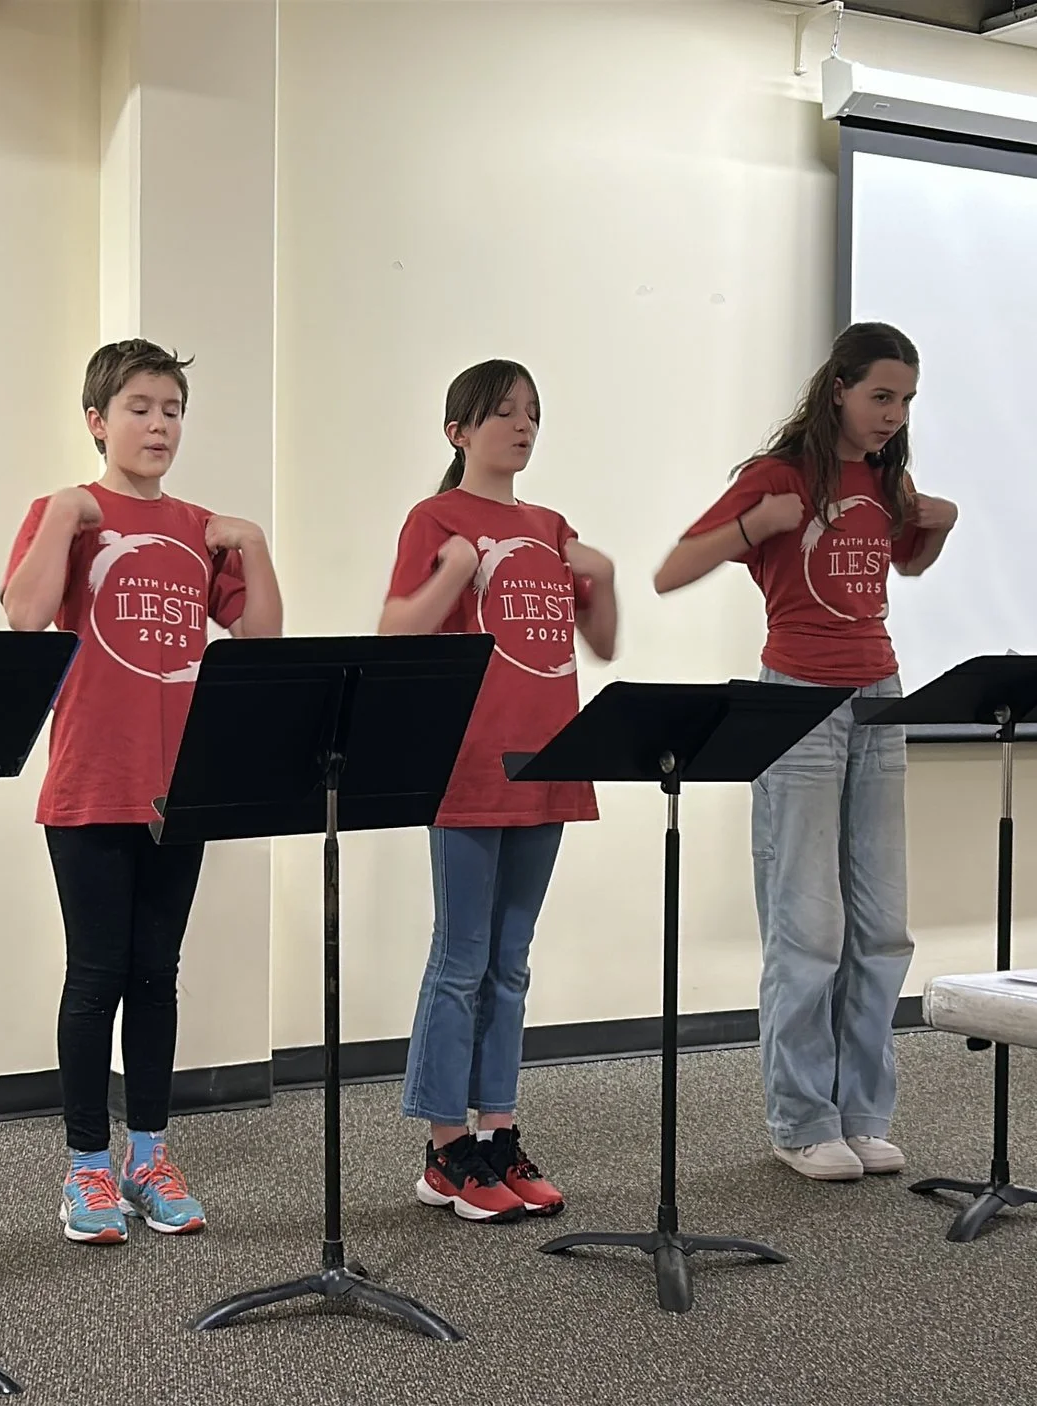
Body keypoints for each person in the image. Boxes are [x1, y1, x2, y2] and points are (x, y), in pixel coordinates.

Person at [652, 321, 957, 1183]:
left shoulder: (886, 478)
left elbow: (907, 565)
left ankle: (863, 1114)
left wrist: (935, 527)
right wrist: (758, 523)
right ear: (838, 389)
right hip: (797, 700)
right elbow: (673, 569)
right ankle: (801, 1119)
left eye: (906, 400)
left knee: (881, 923)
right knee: (808, 924)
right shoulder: (778, 476)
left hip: (880, 697)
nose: (894, 415)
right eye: (881, 396)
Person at [1, 338, 283, 1244]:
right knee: (96, 977)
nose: (160, 425)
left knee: (157, 975)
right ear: (97, 421)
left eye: (173, 410)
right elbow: (24, 615)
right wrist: (63, 514)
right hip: (91, 781)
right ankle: (86, 1168)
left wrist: (255, 545)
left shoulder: (200, 529)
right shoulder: (67, 515)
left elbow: (262, 641)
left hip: (179, 788)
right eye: (140, 408)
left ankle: (149, 1158)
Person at [380, 359, 617, 1222]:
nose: (522, 427)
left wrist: (603, 576)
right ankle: (446, 1149)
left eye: (532, 414)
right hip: (470, 767)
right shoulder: (436, 518)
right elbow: (394, 632)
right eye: (503, 413)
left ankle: (498, 1133)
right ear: (459, 432)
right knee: (461, 961)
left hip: (548, 760)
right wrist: (453, 572)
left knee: (511, 962)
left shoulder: (550, 527)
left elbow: (601, 641)